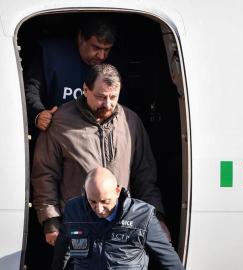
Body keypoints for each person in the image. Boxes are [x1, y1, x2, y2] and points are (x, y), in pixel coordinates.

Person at [31, 64, 167, 248]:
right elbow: (44, 174)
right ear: (85, 90)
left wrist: (156, 218)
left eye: (113, 97)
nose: (108, 104)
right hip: (77, 228)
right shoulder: (60, 122)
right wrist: (50, 221)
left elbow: (145, 176)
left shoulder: (131, 122)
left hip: (122, 229)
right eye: (101, 97)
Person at [52, 167, 184, 270]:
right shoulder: (73, 210)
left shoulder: (143, 216)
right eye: (92, 201)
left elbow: (169, 260)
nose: (99, 209)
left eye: (105, 201)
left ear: (117, 191)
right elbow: (61, 252)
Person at [24, 15, 117, 131]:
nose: (102, 56)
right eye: (96, 47)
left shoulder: (115, 63)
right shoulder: (50, 54)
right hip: (55, 134)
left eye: (107, 49)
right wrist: (38, 114)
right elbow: (31, 89)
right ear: (81, 38)